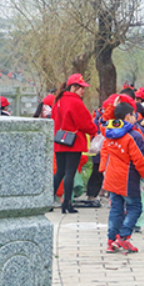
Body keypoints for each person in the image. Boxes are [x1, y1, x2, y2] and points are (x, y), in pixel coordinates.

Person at [101, 102, 144, 253]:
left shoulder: (109, 132)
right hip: (127, 179)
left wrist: (102, 170)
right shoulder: (133, 136)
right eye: (134, 114)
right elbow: (141, 160)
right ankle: (124, 238)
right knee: (135, 208)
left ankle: (111, 240)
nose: (135, 117)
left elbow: (104, 153)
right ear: (128, 116)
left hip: (112, 177)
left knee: (116, 209)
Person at [52, 73, 98, 214]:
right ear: (73, 87)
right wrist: (94, 131)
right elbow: (85, 123)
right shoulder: (76, 102)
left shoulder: (58, 101)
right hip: (74, 142)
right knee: (70, 173)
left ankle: (48, 200)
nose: (83, 91)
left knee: (60, 172)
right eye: (80, 88)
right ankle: (67, 203)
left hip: (60, 140)